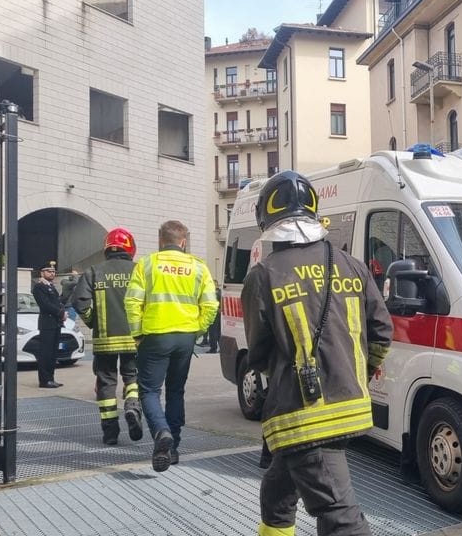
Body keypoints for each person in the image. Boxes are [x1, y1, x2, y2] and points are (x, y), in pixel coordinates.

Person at [242, 170, 393, 536]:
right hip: (351, 405)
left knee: (341, 517)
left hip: (302, 415)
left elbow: (258, 354)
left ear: (268, 221)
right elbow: (382, 333)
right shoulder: (351, 265)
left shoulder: (263, 275)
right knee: (278, 491)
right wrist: (356, 372)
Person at [125, 220, 218, 472]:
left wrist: (137, 334)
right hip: (185, 336)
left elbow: (132, 302)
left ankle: (161, 432)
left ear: (160, 240)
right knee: (176, 391)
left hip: (154, 335)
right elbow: (211, 305)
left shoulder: (147, 264)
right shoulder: (198, 266)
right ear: (183, 241)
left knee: (149, 391)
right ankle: (173, 446)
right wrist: (197, 332)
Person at [73, 228, 143, 446]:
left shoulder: (94, 271)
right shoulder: (139, 271)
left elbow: (80, 303)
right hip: (135, 338)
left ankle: (110, 431)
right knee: (133, 376)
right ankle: (132, 406)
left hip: (105, 339)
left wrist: (94, 321)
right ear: (130, 248)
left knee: (106, 383)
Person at [32, 260, 66, 388]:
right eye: (49, 271)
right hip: (47, 324)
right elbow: (45, 305)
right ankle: (44, 380)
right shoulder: (39, 287)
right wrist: (60, 313)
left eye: (53, 271)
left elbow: (57, 302)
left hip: (55, 323)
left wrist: (62, 312)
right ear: (42, 273)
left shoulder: (51, 287)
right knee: (46, 353)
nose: (52, 273)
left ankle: (51, 378)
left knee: (53, 353)